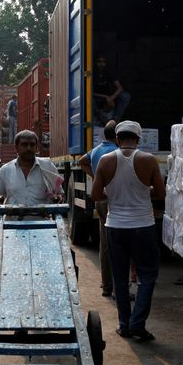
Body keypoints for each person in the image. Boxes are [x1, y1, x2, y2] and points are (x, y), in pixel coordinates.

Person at [91, 120, 165, 342]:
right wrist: (143, 192)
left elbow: (96, 196)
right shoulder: (148, 160)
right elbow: (161, 193)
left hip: (115, 227)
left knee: (120, 278)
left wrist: (115, 194)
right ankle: (137, 324)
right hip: (143, 226)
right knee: (147, 275)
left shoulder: (105, 161)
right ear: (139, 139)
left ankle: (124, 325)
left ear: (116, 138)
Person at [79, 120, 118, 297]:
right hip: (113, 198)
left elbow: (82, 161)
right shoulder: (116, 152)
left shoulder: (96, 150)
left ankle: (107, 285)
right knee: (119, 243)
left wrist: (95, 177)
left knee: (104, 243)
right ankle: (119, 287)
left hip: (100, 200)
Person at [0, 130, 63, 206]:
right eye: (24, 145)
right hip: (13, 217)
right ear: (16, 147)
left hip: (43, 217)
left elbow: (59, 193)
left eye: (32, 145)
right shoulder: (5, 170)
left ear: (36, 147)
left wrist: (58, 197)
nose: (28, 148)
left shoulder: (48, 166)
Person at [93, 56, 131, 123]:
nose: (101, 64)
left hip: (110, 98)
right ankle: (99, 120)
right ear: (95, 63)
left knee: (125, 96)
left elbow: (120, 88)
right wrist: (105, 97)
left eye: (103, 62)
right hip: (98, 98)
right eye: (99, 61)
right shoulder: (92, 73)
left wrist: (112, 97)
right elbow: (88, 92)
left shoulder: (109, 72)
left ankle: (115, 121)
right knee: (90, 100)